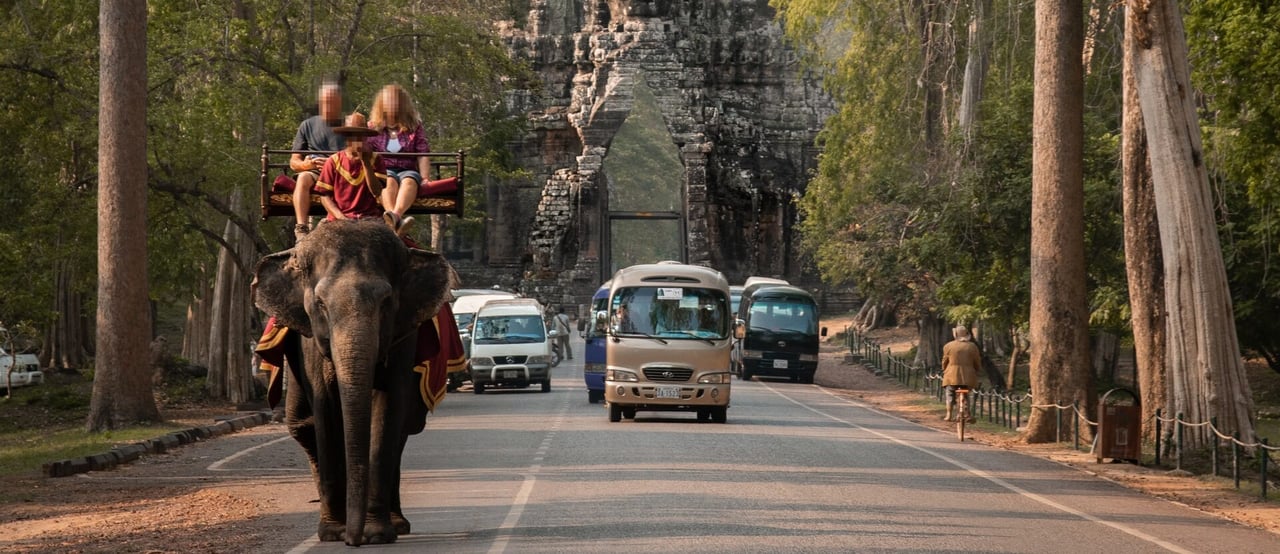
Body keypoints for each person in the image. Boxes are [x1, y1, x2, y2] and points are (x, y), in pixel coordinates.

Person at [366, 84, 430, 235]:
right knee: (389, 180)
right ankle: (396, 222)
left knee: (409, 180)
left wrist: (426, 177)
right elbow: (366, 153)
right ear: (382, 103)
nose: (392, 105)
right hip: (384, 169)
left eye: (396, 101)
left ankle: (396, 216)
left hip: (407, 169)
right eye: (388, 101)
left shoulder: (414, 126)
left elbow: (423, 153)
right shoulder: (372, 127)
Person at [289, 82, 346, 239]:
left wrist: (336, 164)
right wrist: (307, 164)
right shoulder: (307, 125)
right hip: (316, 170)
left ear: (339, 102)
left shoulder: (348, 124)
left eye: (332, 101)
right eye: (325, 101)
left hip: (342, 171)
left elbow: (357, 152)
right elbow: (294, 162)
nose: (328, 104)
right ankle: (301, 228)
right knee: (302, 178)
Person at [312, 112, 389, 224]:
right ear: (346, 137)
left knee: (398, 240)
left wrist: (365, 162)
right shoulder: (333, 161)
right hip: (339, 220)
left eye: (361, 135)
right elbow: (324, 196)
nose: (358, 139)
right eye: (353, 134)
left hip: (369, 219)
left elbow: (377, 191)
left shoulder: (376, 159)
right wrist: (341, 218)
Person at [941, 325, 982, 422]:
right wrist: (976, 370)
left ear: (955, 334)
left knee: (950, 393)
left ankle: (949, 415)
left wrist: (944, 369)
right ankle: (967, 414)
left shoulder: (948, 346)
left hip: (952, 376)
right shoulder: (972, 346)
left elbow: (944, 361)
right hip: (968, 376)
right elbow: (977, 361)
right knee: (966, 394)